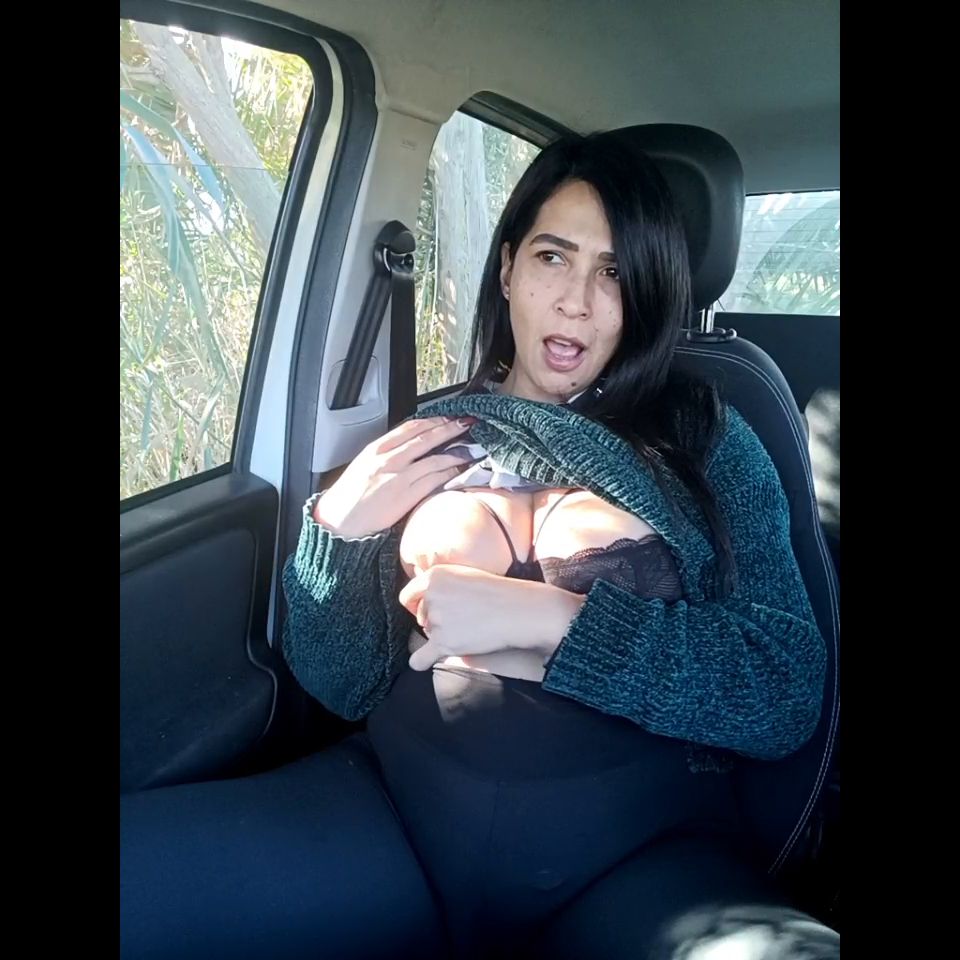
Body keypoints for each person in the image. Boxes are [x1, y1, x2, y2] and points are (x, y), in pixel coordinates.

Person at [120, 132, 837, 960]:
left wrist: (552, 621)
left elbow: (783, 688)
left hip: (638, 861)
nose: (576, 302)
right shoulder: (432, 429)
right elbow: (342, 681)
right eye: (552, 257)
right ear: (506, 268)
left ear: (647, 291)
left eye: (613, 272)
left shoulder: (708, 435)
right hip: (396, 816)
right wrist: (338, 534)